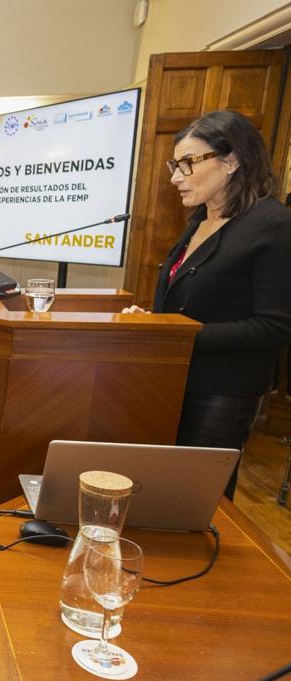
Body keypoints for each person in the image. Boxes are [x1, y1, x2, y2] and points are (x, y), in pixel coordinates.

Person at [123, 110, 291, 498]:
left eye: (187, 163)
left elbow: (275, 325)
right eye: (174, 164)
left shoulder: (272, 224)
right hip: (173, 382)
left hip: (223, 392)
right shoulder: (199, 222)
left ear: (231, 160)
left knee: (195, 500)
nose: (175, 177)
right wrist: (155, 323)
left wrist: (177, 335)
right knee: (161, 493)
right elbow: (190, 306)